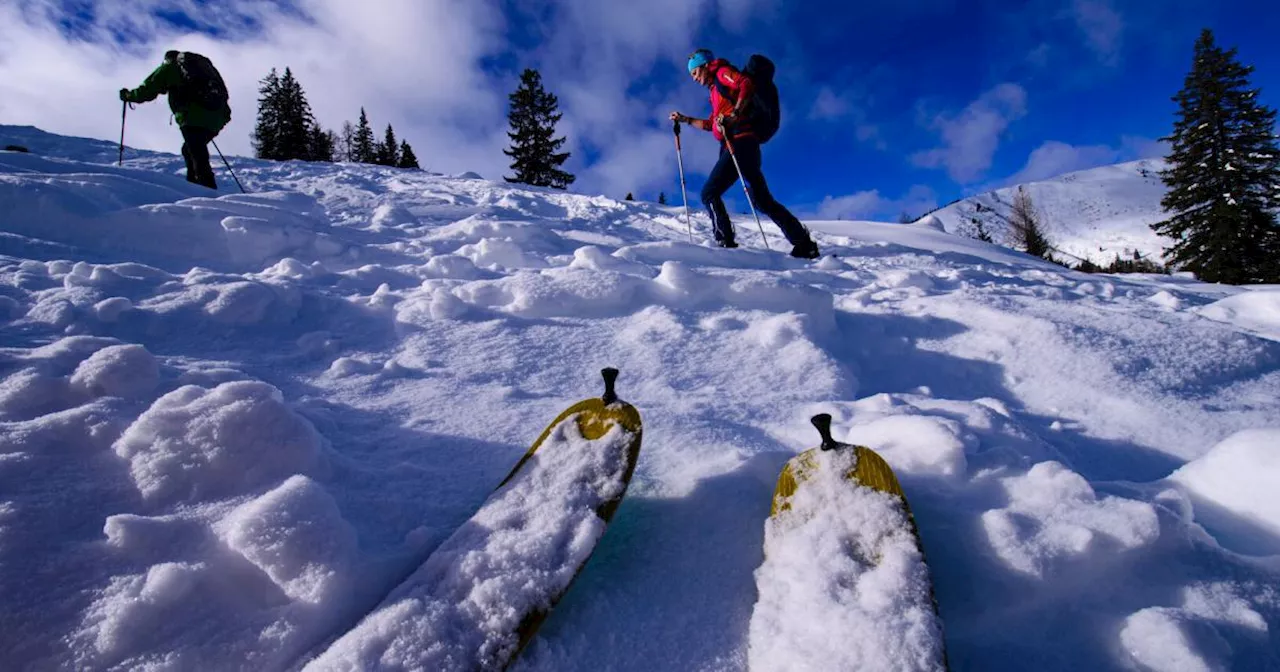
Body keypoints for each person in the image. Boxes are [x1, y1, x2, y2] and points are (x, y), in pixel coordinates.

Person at [670, 48, 819, 258]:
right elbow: (711, 124)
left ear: (704, 66)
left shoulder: (722, 72)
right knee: (762, 200)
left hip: (739, 143)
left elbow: (745, 84)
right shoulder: (715, 91)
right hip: (745, 146)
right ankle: (804, 244)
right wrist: (686, 119)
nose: (694, 78)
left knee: (709, 193)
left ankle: (724, 243)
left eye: (694, 73)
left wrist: (734, 115)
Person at [120, 50, 231, 189]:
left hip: (192, 116)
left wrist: (129, 96)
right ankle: (195, 185)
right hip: (218, 116)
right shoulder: (203, 69)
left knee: (196, 151)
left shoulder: (170, 67)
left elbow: (148, 89)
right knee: (190, 149)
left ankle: (207, 189)